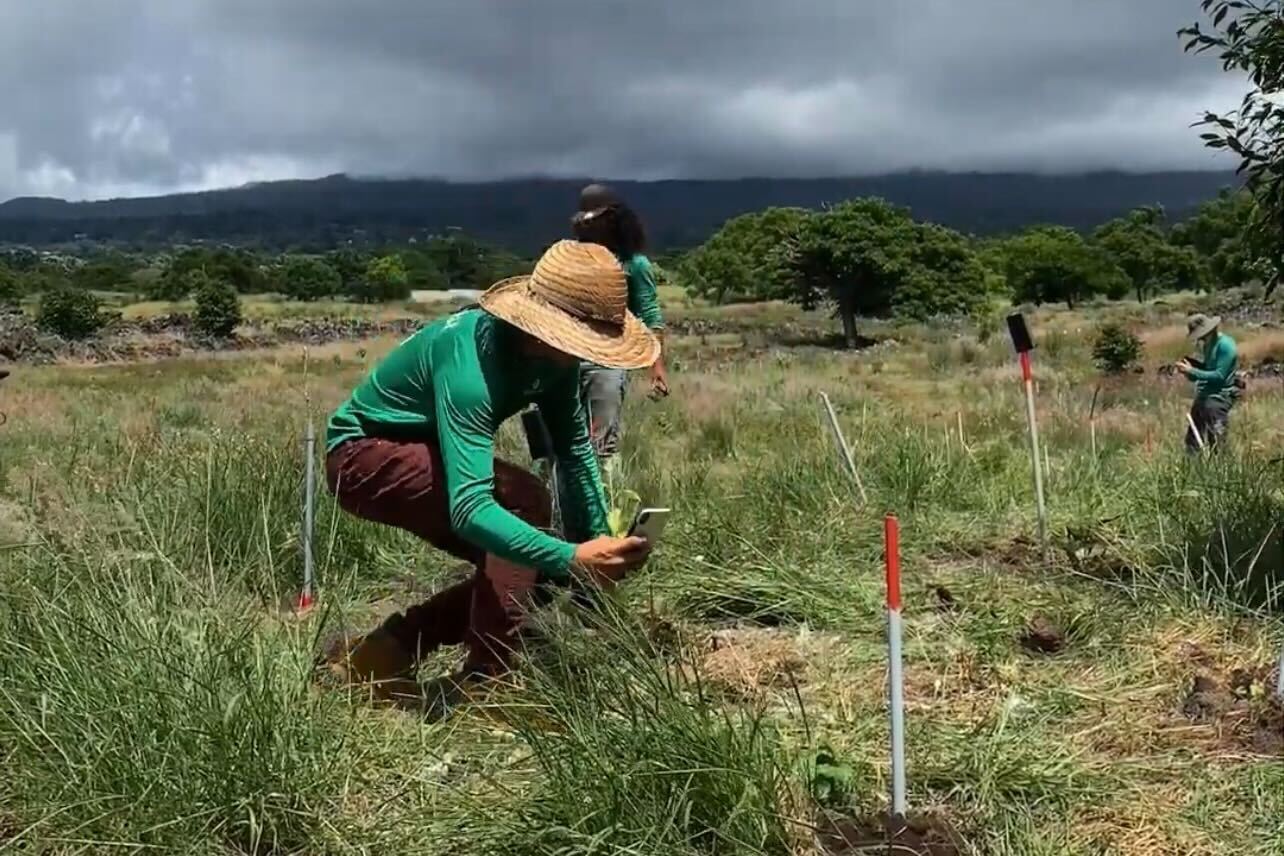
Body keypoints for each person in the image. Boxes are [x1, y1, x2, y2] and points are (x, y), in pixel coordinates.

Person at [321, 240, 660, 711]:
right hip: (361, 457)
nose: (587, 356)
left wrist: (597, 545)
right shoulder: (470, 366)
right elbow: (470, 509)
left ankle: (382, 653)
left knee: (529, 562)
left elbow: (575, 450)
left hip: (422, 452)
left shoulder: (554, 362)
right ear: (545, 330)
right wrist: (572, 556)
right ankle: (487, 685)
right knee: (522, 505)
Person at [570, 183, 669, 459]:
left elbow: (650, 315)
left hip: (609, 360)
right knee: (560, 440)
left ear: (612, 220)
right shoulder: (572, 260)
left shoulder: (634, 265)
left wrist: (656, 366)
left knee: (600, 441)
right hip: (566, 357)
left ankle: (598, 496)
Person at [1176, 313, 1239, 454]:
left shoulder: (1226, 346)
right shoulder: (1208, 345)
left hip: (1219, 397)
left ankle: (1222, 472)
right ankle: (1194, 470)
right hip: (1204, 395)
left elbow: (1219, 376)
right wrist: (1190, 371)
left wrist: (1193, 370)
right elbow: (1207, 371)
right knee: (1192, 441)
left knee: (1216, 441)